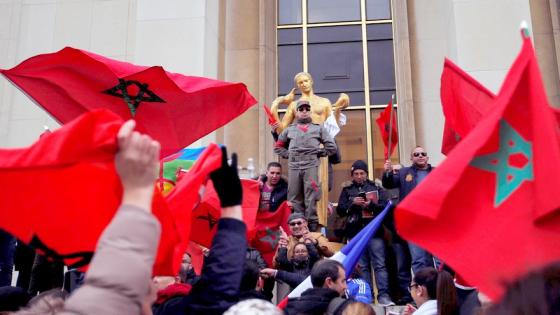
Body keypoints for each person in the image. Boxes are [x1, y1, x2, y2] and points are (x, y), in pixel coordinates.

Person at [271, 72, 349, 228]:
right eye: (300, 82)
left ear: (312, 81)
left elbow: (332, 126)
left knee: (316, 193)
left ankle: (315, 231)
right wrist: (278, 102)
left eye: (306, 80)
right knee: (297, 195)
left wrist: (339, 108)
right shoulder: (294, 105)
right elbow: (281, 131)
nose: (303, 84)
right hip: (299, 157)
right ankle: (300, 229)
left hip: (319, 153)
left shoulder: (324, 102)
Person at [337, 160, 397, 306]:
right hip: (356, 234)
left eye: (362, 173)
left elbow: (386, 207)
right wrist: (353, 204)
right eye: (356, 174)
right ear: (352, 175)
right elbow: (340, 210)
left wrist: (370, 205)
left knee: (380, 265)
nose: (359, 176)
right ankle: (366, 297)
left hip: (374, 233)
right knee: (362, 267)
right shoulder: (347, 190)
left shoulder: (376, 187)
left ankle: (384, 296)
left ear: (366, 174)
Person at [274, 100, 337, 230]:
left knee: (311, 195)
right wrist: (289, 154)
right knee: (294, 197)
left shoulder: (318, 128)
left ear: (310, 111)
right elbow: (278, 147)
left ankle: (312, 228)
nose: (304, 111)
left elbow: (332, 147)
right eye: (301, 109)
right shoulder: (289, 130)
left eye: (306, 109)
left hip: (311, 165)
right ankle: (297, 226)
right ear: (296, 112)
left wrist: (319, 152)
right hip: (294, 166)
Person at [382, 146, 435, 273]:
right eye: (416, 154)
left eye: (423, 153)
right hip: (413, 223)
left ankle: (434, 288)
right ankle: (422, 289)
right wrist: (388, 172)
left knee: (434, 260)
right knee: (418, 259)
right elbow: (389, 183)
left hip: (433, 223)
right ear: (411, 158)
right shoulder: (404, 173)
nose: (420, 156)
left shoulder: (436, 172)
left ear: (427, 157)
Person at [285, 259, 352, 315]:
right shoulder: (345, 310)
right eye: (343, 281)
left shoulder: (290, 309)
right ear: (329, 282)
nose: (345, 286)